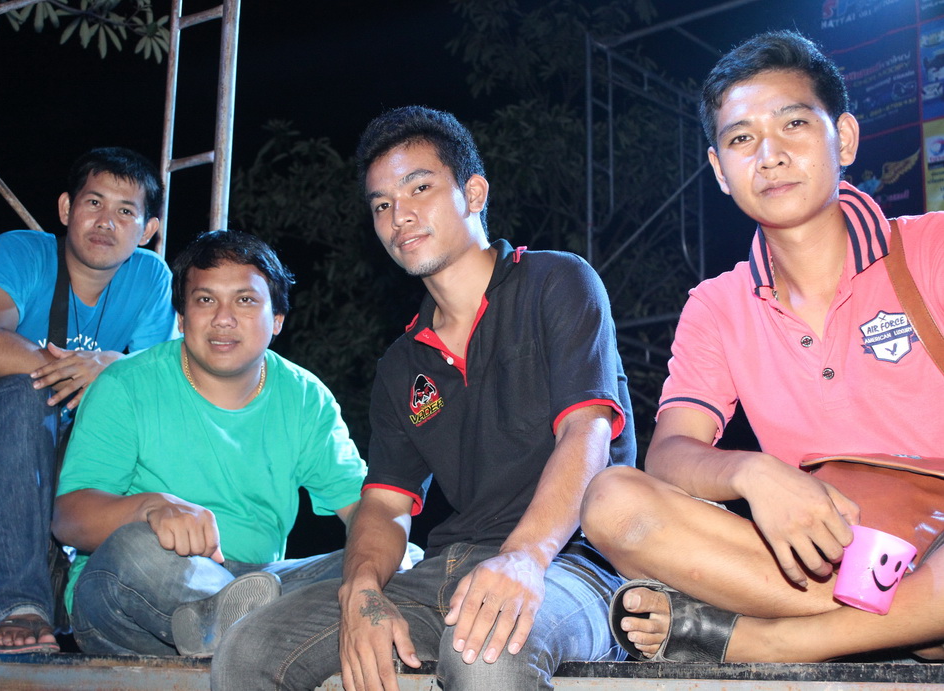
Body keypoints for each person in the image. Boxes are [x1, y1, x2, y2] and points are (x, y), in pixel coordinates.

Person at [212, 105, 636, 690]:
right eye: (381, 204)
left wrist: (523, 557)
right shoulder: (402, 365)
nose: (399, 215)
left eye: (419, 188)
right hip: (450, 568)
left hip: (569, 561)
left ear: (474, 193)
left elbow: (587, 431)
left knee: (486, 662)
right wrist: (362, 590)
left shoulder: (555, 282)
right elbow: (386, 504)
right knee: (248, 650)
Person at [581, 30, 944, 663]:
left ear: (845, 139)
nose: (769, 155)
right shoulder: (717, 305)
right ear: (720, 171)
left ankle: (769, 639)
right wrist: (752, 473)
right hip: (825, 559)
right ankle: (910, 627)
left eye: (793, 124)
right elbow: (669, 454)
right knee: (613, 502)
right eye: (741, 139)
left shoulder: (931, 249)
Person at [0, 147, 175, 654]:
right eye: (93, 202)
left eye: (125, 211)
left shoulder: (150, 277)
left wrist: (110, 366)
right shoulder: (22, 252)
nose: (106, 221)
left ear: (147, 230)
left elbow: (155, 390)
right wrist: (87, 369)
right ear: (66, 209)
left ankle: (150, 607)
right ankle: (17, 603)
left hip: (50, 471)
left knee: (152, 438)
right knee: (25, 394)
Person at [51, 229, 368, 657]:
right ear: (182, 319)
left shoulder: (305, 397)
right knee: (136, 546)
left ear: (277, 319)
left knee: (396, 558)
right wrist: (148, 508)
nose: (223, 318)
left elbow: (363, 507)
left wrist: (375, 569)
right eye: (205, 300)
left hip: (259, 582)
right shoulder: (125, 385)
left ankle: (239, 623)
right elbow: (67, 517)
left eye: (245, 300)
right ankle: (250, 625)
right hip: (144, 587)